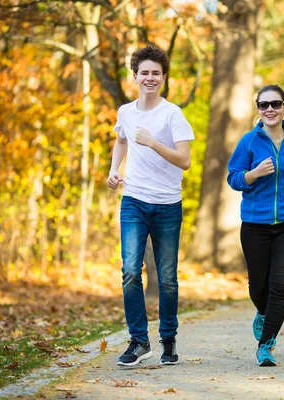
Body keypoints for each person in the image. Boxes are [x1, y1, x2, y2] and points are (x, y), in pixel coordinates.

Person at [107, 45, 194, 367]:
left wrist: (153, 143)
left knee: (168, 276)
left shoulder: (172, 114)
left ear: (164, 78)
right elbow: (121, 140)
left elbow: (184, 161)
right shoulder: (125, 112)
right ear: (135, 76)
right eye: (144, 72)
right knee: (130, 271)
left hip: (168, 205)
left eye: (156, 73)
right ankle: (139, 341)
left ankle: (168, 340)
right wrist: (114, 170)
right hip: (134, 201)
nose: (150, 78)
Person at [227, 84, 284, 367]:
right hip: (255, 225)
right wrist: (253, 174)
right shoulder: (249, 142)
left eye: (275, 104)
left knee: (280, 285)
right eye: (264, 105)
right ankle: (263, 314)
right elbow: (234, 178)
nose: (270, 110)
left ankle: (265, 345)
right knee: (258, 288)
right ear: (258, 110)